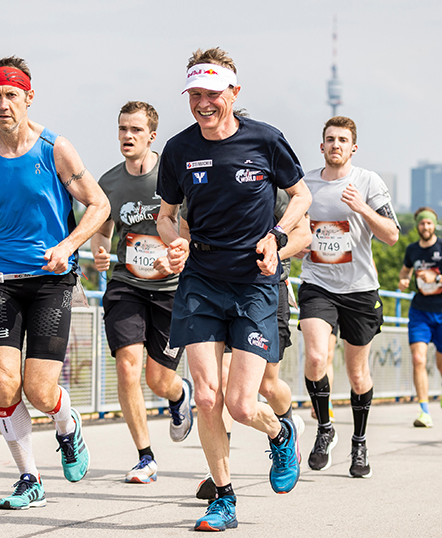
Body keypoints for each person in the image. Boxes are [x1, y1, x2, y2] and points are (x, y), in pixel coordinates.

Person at [0, 56, 110, 510]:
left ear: (28, 98)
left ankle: (67, 426)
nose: (3, 103)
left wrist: (69, 245)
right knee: (3, 384)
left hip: (51, 279)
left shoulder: (54, 148)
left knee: (38, 389)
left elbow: (99, 204)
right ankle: (29, 477)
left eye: (11, 94)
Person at [156, 47, 312, 531]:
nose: (203, 103)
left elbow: (302, 196)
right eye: (195, 95)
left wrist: (278, 236)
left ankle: (279, 432)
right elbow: (165, 215)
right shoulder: (180, 149)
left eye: (212, 94)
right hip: (201, 279)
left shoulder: (266, 140)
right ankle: (222, 498)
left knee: (243, 405)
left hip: (254, 284)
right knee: (206, 397)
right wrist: (176, 241)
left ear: (234, 93)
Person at [90, 101, 193, 485]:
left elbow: (194, 226)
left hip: (171, 290)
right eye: (122, 129)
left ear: (152, 135)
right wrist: (99, 251)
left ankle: (180, 394)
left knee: (157, 380)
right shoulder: (110, 182)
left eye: (135, 130)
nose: (127, 137)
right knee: (127, 366)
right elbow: (103, 228)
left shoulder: (174, 174)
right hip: (126, 285)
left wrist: (178, 255)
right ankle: (145, 456)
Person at [298, 116, 399, 479]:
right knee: (315, 357)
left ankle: (359, 441)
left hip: (359, 289)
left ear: (353, 147)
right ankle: (325, 428)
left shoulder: (368, 182)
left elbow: (391, 235)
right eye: (330, 139)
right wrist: (299, 249)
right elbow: (295, 232)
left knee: (358, 374)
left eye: (342, 140)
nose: (336, 145)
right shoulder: (306, 184)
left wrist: (362, 208)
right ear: (321, 145)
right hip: (318, 283)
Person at [194, 191, 311, 501]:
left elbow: (304, 234)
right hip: (218, 294)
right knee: (219, 382)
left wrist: (275, 254)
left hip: (266, 292)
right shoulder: (211, 175)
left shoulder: (273, 188)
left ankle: (286, 427)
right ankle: (219, 471)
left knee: (267, 385)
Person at [398, 207, 442, 428]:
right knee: (418, 359)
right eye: (421, 223)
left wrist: (437, 277)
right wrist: (404, 281)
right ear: (417, 226)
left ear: (434, 225)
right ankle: (424, 412)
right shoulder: (412, 251)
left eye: (429, 223)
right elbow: (405, 271)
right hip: (420, 311)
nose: (425, 227)